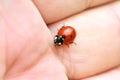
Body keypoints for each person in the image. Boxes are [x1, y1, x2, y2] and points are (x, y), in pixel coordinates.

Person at [0, 0, 119, 80]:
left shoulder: (63, 37)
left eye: (57, 41)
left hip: (69, 31)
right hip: (68, 31)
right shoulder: (63, 37)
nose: (56, 41)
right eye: (57, 40)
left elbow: (66, 35)